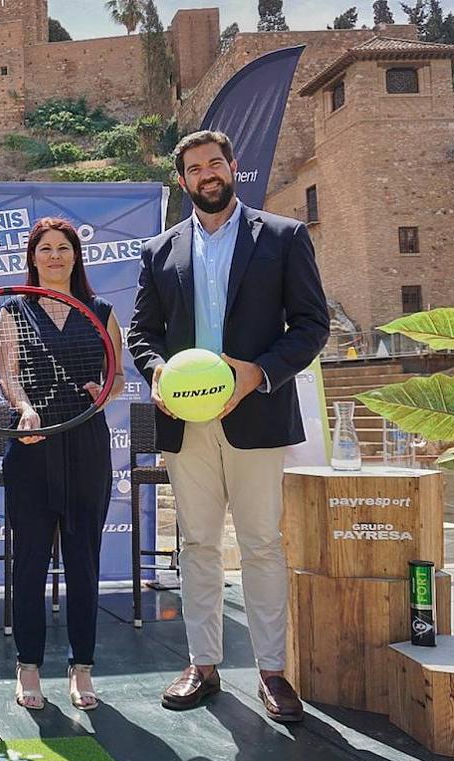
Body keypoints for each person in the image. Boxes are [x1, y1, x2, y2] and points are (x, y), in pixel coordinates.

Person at [127, 130, 329, 723]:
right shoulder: (160, 250)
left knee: (263, 544)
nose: (206, 174)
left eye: (215, 163)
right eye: (194, 168)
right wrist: (159, 372)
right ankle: (202, 663)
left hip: (257, 413)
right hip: (185, 424)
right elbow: (143, 335)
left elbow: (311, 326)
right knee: (197, 545)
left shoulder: (284, 237)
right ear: (183, 181)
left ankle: (272, 671)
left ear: (233, 169)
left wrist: (258, 375)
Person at [0, 218, 124, 712]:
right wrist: (24, 408)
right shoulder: (13, 310)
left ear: (76, 255)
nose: (54, 256)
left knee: (83, 562)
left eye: (63, 248)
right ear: (33, 258)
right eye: (45, 249)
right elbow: (7, 374)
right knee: (28, 562)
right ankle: (28, 665)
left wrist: (103, 392)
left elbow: (114, 377)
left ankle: (82, 667)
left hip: (86, 446)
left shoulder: (101, 311)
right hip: (31, 448)